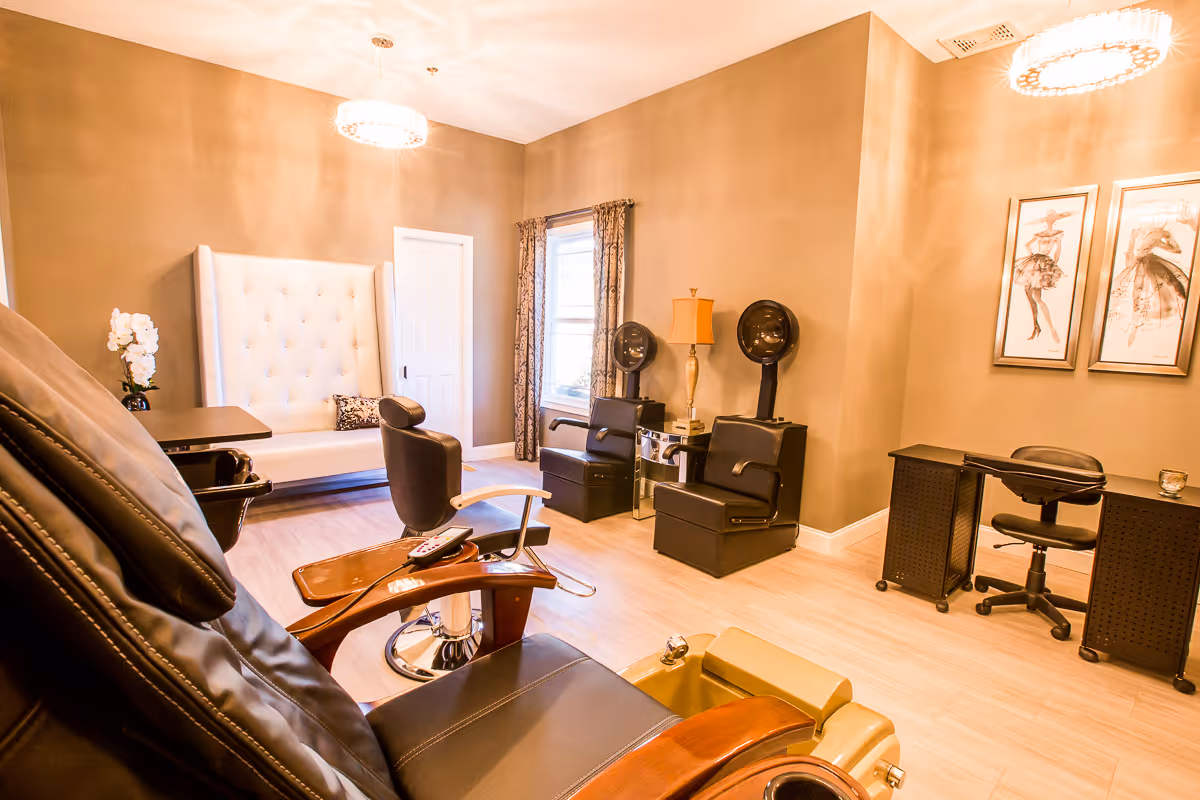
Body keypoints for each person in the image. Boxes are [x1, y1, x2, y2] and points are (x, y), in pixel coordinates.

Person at [1112, 222, 1190, 345]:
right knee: (1144, 294)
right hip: (1145, 266)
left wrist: (1166, 235)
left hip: (1144, 265)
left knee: (1149, 295)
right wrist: (1167, 236)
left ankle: (1138, 329)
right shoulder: (1152, 233)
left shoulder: (1141, 232)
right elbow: (1176, 249)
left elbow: (1176, 250)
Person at [1013, 209, 1072, 342]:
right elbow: (1027, 245)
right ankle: (1037, 325)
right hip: (1036, 262)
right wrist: (1031, 255)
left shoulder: (1057, 235)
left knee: (1037, 298)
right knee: (1031, 296)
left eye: (1051, 219)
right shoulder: (1040, 235)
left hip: (1043, 264)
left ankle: (1048, 327)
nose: (1049, 221)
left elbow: (1058, 251)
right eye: (1048, 219)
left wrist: (1052, 265)